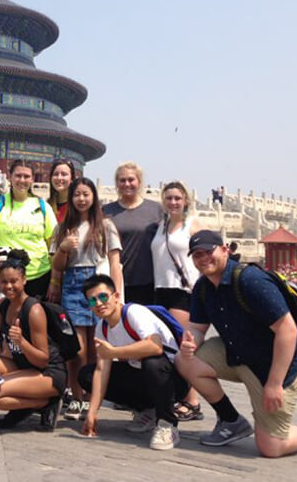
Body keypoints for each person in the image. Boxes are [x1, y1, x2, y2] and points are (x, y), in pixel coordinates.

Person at [176, 230, 297, 457]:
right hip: (239, 355)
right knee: (184, 360)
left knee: (271, 447)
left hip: (275, 367)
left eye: (208, 251)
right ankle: (231, 420)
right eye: (197, 255)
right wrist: (190, 344)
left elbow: (287, 331)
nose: (203, 258)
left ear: (225, 250)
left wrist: (274, 384)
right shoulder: (203, 287)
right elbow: (197, 328)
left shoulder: (250, 280)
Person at [79, 274, 187, 450]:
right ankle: (147, 411)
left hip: (173, 380)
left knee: (152, 363)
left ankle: (167, 424)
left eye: (103, 297)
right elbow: (101, 370)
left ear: (116, 296)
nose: (98, 303)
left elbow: (155, 347)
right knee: (87, 375)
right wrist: (92, 412)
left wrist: (113, 352)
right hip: (144, 377)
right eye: (92, 300)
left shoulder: (133, 312)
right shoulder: (102, 328)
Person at [0, 250, 66, 431]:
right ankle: (21, 403)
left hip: (47, 373)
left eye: (14, 281)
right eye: (4, 282)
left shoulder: (34, 310)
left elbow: (43, 360)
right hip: (22, 366)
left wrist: (21, 342)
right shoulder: (3, 306)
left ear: (24, 280)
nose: (9, 286)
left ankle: (45, 403)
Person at [48, 177, 122, 420]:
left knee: (97, 346)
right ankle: (76, 396)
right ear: (70, 198)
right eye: (77, 194)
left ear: (94, 197)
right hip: (73, 285)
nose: (81, 199)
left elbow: (114, 262)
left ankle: (93, 397)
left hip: (99, 285)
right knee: (77, 348)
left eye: (86, 194)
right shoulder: (63, 228)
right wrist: (63, 248)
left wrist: (116, 294)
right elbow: (57, 266)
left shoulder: (106, 226)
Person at [150, 181, 204, 421]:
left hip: (184, 291)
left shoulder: (193, 225)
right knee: (168, 347)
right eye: (169, 198)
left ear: (186, 201)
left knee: (183, 346)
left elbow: (208, 254)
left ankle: (192, 400)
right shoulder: (160, 226)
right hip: (161, 289)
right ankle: (176, 396)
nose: (173, 202)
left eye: (177, 198)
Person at [0, 159, 57, 313]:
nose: (22, 180)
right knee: (5, 323)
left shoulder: (42, 206)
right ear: (10, 177)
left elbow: (52, 243)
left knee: (36, 323)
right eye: (18, 176)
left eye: (27, 176)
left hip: (39, 276)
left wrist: (54, 280)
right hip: (7, 278)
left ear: (32, 179)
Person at [102, 162, 163, 305]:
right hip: (117, 282)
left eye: (131, 180)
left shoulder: (156, 210)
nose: (127, 184)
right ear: (117, 183)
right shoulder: (106, 211)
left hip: (148, 282)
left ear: (139, 182)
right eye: (122, 180)